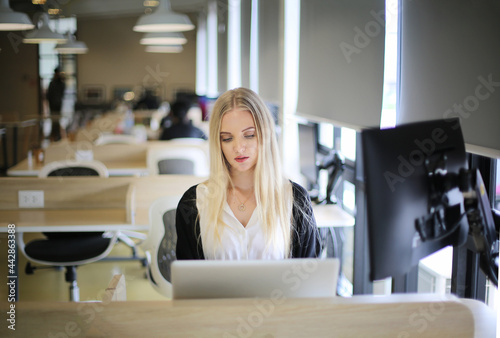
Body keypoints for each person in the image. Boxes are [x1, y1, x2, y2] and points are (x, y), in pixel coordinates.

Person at [175, 87, 321, 260]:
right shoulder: (193, 203)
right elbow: (190, 282)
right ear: (218, 143)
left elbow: (308, 278)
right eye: (227, 138)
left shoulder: (294, 199)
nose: (238, 147)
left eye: (249, 135)